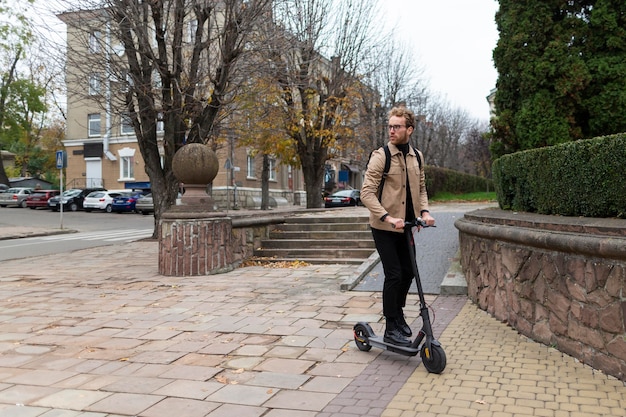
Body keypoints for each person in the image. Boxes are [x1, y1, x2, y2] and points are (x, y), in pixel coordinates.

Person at [360, 106, 436, 347]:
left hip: (405, 226)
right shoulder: (381, 156)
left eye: (397, 126)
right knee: (394, 274)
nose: (391, 131)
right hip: (383, 227)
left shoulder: (417, 156)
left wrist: (423, 211)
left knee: (409, 271)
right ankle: (391, 325)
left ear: (409, 130)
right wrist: (387, 217)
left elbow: (420, 188)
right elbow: (366, 193)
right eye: (390, 126)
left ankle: (397, 314)